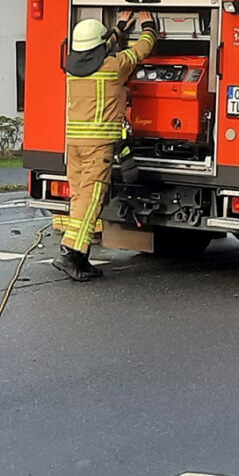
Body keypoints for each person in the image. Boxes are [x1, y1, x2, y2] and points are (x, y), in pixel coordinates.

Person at [55, 14, 155, 281]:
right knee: (91, 200)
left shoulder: (72, 68)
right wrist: (149, 26)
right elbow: (141, 49)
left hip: (74, 144)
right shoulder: (114, 66)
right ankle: (70, 253)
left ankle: (80, 257)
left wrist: (118, 28)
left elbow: (99, 49)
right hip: (97, 147)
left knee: (80, 197)